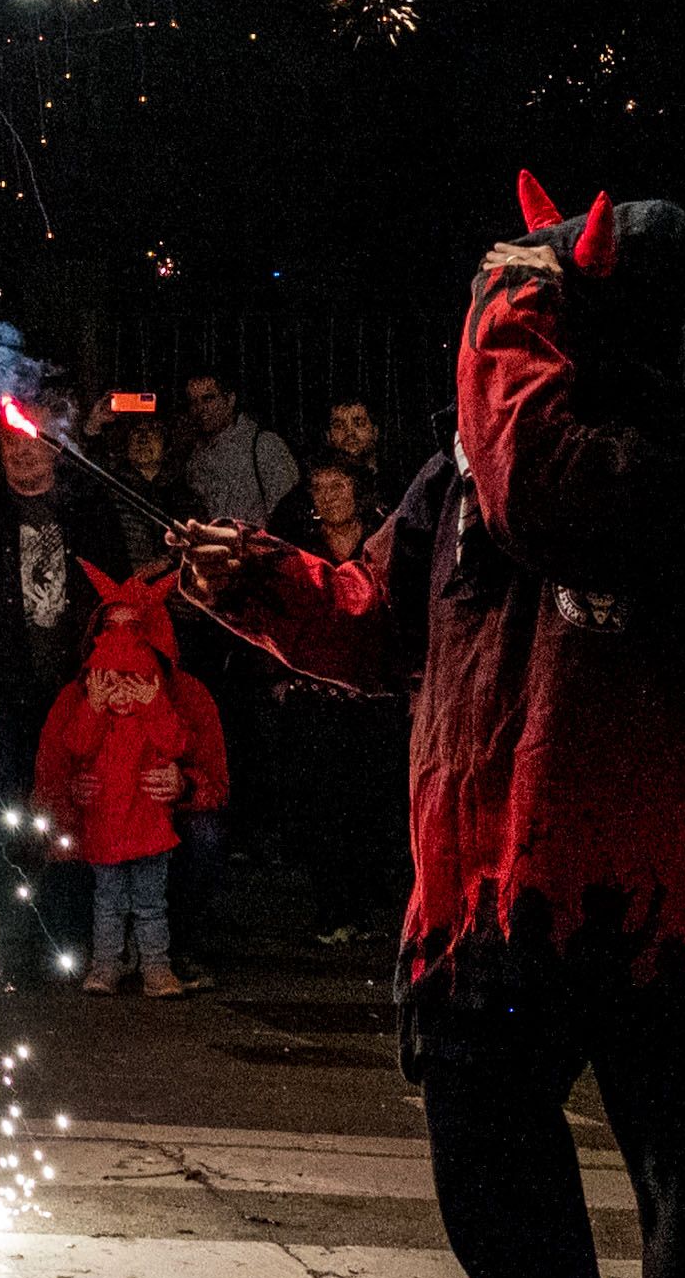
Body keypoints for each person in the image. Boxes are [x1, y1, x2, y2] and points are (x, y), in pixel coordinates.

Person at [182, 180, 685, 1278]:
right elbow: (375, 627)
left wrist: (514, 300)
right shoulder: (456, 477)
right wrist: (265, 580)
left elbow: (548, 494)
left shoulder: (656, 467)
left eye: (509, 301)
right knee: (506, 1225)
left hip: (665, 911)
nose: (478, 314)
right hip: (488, 909)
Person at [0, 411, 133, 970]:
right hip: (5, 688)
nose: (21, 455)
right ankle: (5, 937)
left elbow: (113, 593)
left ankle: (66, 938)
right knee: (2, 811)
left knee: (68, 815)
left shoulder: (88, 510)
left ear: (56, 449)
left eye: (32, 444)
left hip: (72, 689)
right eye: (10, 445)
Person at [31, 571, 225, 996]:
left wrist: (185, 785)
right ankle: (103, 960)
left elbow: (207, 770)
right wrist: (72, 794)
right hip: (99, 829)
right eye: (110, 627)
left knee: (152, 898)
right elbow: (55, 769)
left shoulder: (183, 695)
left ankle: (163, 959)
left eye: (133, 628)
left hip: (152, 827)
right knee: (106, 901)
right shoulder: (77, 698)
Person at [258, 460, 410, 945]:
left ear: (358, 490)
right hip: (314, 694)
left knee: (368, 801)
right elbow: (276, 610)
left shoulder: (383, 544)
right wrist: (278, 674)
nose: (328, 496)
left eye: (338, 485)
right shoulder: (301, 547)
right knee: (323, 803)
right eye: (318, 487)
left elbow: (404, 613)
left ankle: (362, 908)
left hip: (372, 695)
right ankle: (331, 910)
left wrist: (412, 680)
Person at [175, 369, 301, 533]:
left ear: (230, 400)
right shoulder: (194, 457)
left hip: (257, 553)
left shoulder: (264, 445)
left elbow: (289, 512)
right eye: (193, 402)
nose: (200, 408)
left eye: (208, 398)